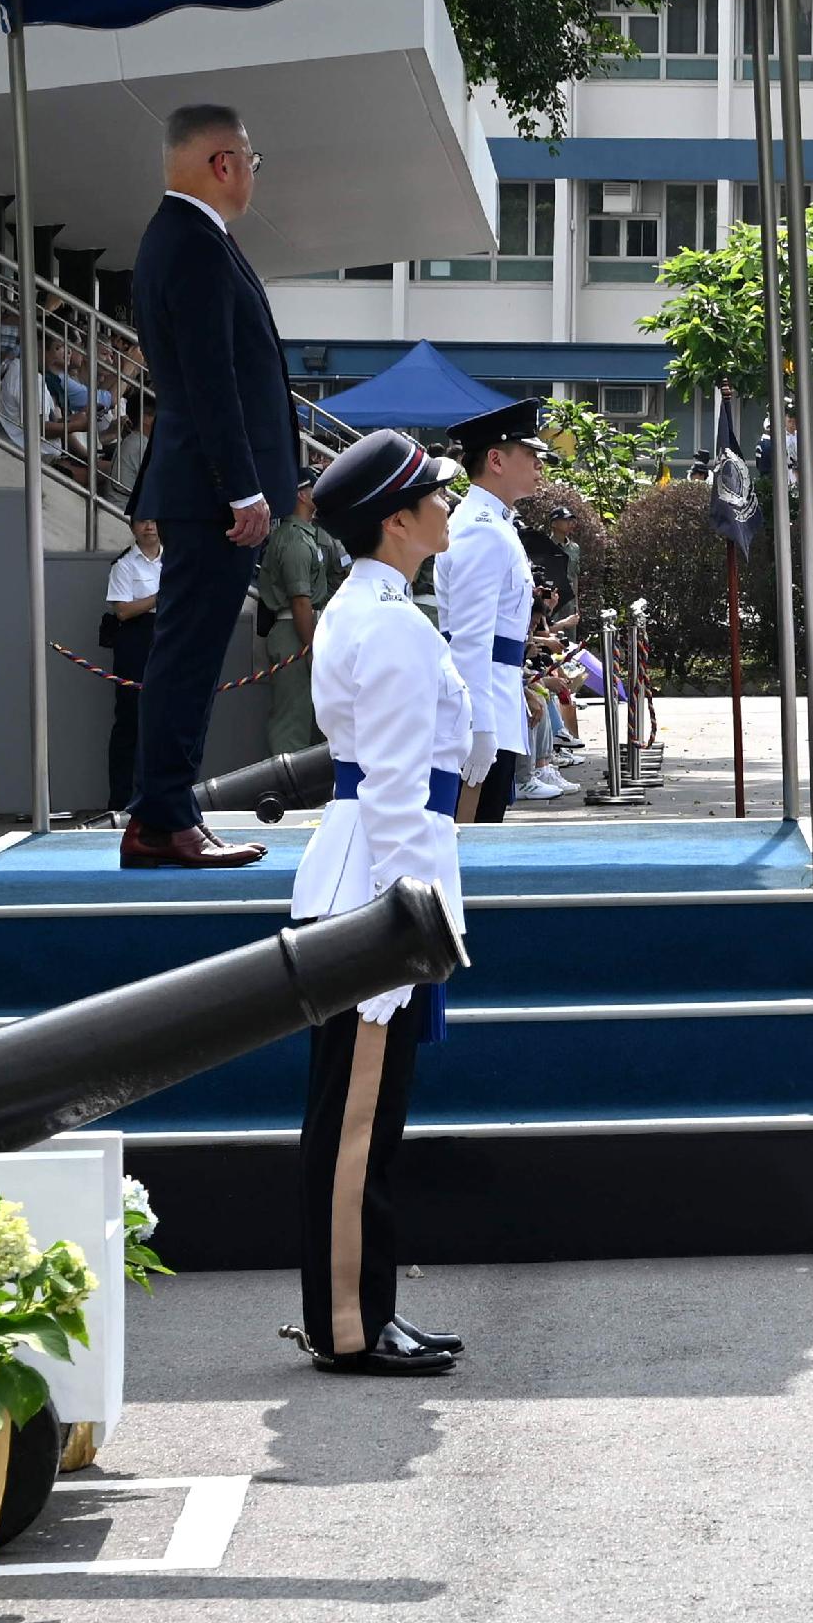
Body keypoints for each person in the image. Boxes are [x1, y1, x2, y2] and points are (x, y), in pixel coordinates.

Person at [287, 428, 471, 1376]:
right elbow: (400, 789)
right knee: (360, 1118)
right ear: (397, 522)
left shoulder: (373, 606)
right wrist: (411, 921)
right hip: (382, 880)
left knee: (359, 1112)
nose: (450, 502)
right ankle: (351, 1323)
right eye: (435, 495)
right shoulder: (391, 622)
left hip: (366, 867)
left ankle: (360, 1310)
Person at [123, 104, 300, 869]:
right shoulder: (192, 243)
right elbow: (209, 380)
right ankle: (162, 816)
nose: (255, 175)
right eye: (253, 161)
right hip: (211, 493)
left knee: (189, 653)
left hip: (204, 489)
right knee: (189, 654)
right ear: (224, 162)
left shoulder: (188, 238)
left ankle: (169, 811)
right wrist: (241, 490)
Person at [434, 399, 545, 824]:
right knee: (469, 839)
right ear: (496, 459)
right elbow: (470, 640)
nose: (539, 464)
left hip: (497, 699)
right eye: (530, 454)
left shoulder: (495, 524)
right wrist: (479, 726)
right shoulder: (481, 530)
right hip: (483, 710)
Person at [255, 485, 344, 758]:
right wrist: (311, 645)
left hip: (308, 627)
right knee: (292, 719)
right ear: (302, 495)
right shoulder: (294, 538)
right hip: (296, 631)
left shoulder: (312, 534)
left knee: (317, 719)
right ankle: (285, 795)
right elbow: (300, 600)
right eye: (313, 487)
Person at [100, 518, 164, 815]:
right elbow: (123, 610)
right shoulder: (124, 564)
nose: (148, 527)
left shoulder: (174, 559)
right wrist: (159, 599)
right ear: (133, 527)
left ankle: (160, 797)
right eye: (142, 522)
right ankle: (122, 801)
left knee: (164, 722)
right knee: (129, 722)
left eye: (153, 521)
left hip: (166, 640)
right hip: (135, 646)